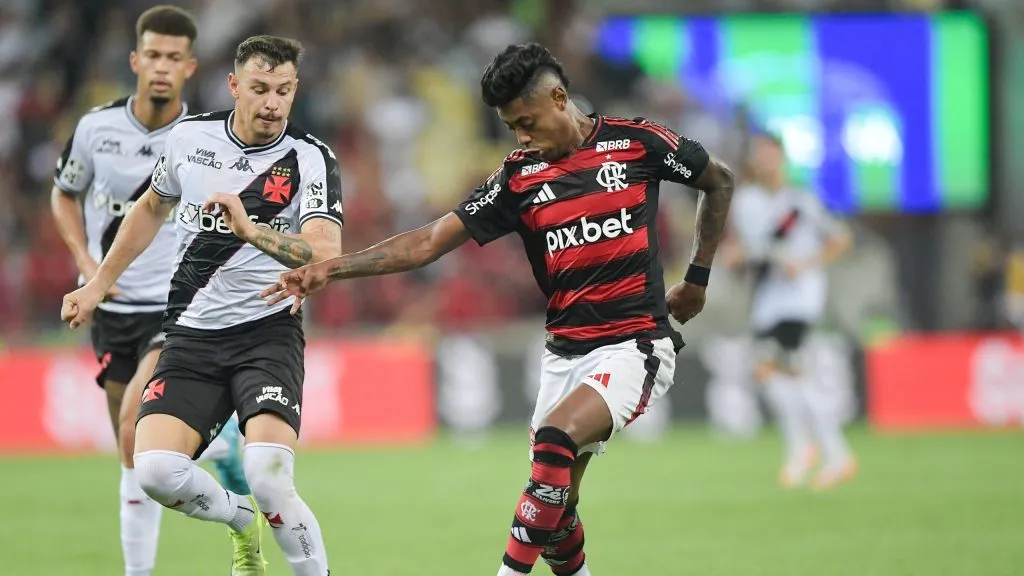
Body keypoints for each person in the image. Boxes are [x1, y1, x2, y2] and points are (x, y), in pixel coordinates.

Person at [262, 43, 735, 576]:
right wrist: (334, 267)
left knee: (556, 440)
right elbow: (428, 242)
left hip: (635, 344)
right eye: (512, 127)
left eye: (526, 122)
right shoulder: (518, 177)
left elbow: (718, 179)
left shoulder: (638, 144)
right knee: (555, 513)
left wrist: (696, 279)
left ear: (559, 98)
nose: (522, 137)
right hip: (564, 356)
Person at [61, 35, 342, 576]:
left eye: (283, 91)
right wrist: (96, 284)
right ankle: (239, 520)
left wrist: (251, 230)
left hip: (267, 333)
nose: (272, 104)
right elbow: (148, 208)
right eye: (259, 89)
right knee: (155, 472)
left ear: (295, 90)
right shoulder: (190, 139)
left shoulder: (309, 158)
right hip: (190, 334)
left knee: (267, 473)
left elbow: (325, 252)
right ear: (234, 85)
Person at [49, 6, 249, 576]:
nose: (161, 68)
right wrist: (87, 263)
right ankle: (216, 444)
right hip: (113, 308)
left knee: (134, 419)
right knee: (128, 449)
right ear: (137, 60)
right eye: (152, 56)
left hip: (176, 307)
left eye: (173, 59)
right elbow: (64, 194)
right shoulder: (94, 130)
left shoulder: (206, 140)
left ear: (189, 67)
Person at [724, 133, 856, 489]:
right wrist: (737, 256)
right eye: (759, 154)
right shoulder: (747, 202)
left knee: (778, 365)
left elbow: (841, 238)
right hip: (769, 295)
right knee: (778, 372)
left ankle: (814, 451)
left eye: (771, 154)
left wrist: (809, 263)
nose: (765, 161)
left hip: (801, 295)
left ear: (782, 158)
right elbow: (750, 249)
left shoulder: (801, 201)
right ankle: (824, 451)